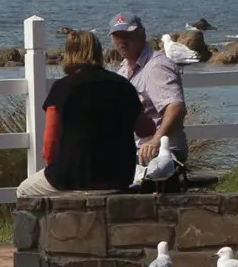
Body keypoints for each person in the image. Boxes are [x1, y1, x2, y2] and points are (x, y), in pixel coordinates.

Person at [18, 26, 144, 196]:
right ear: (98, 52)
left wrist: (52, 166)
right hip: (120, 175)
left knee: (24, 191)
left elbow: (50, 143)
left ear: (69, 53)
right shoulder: (124, 85)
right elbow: (146, 129)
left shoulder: (63, 88)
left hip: (72, 175)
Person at [110, 13, 187, 186]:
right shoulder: (123, 70)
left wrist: (155, 141)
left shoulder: (157, 66)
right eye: (117, 36)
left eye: (127, 35)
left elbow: (176, 107)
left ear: (142, 34)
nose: (122, 41)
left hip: (161, 153)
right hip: (137, 151)